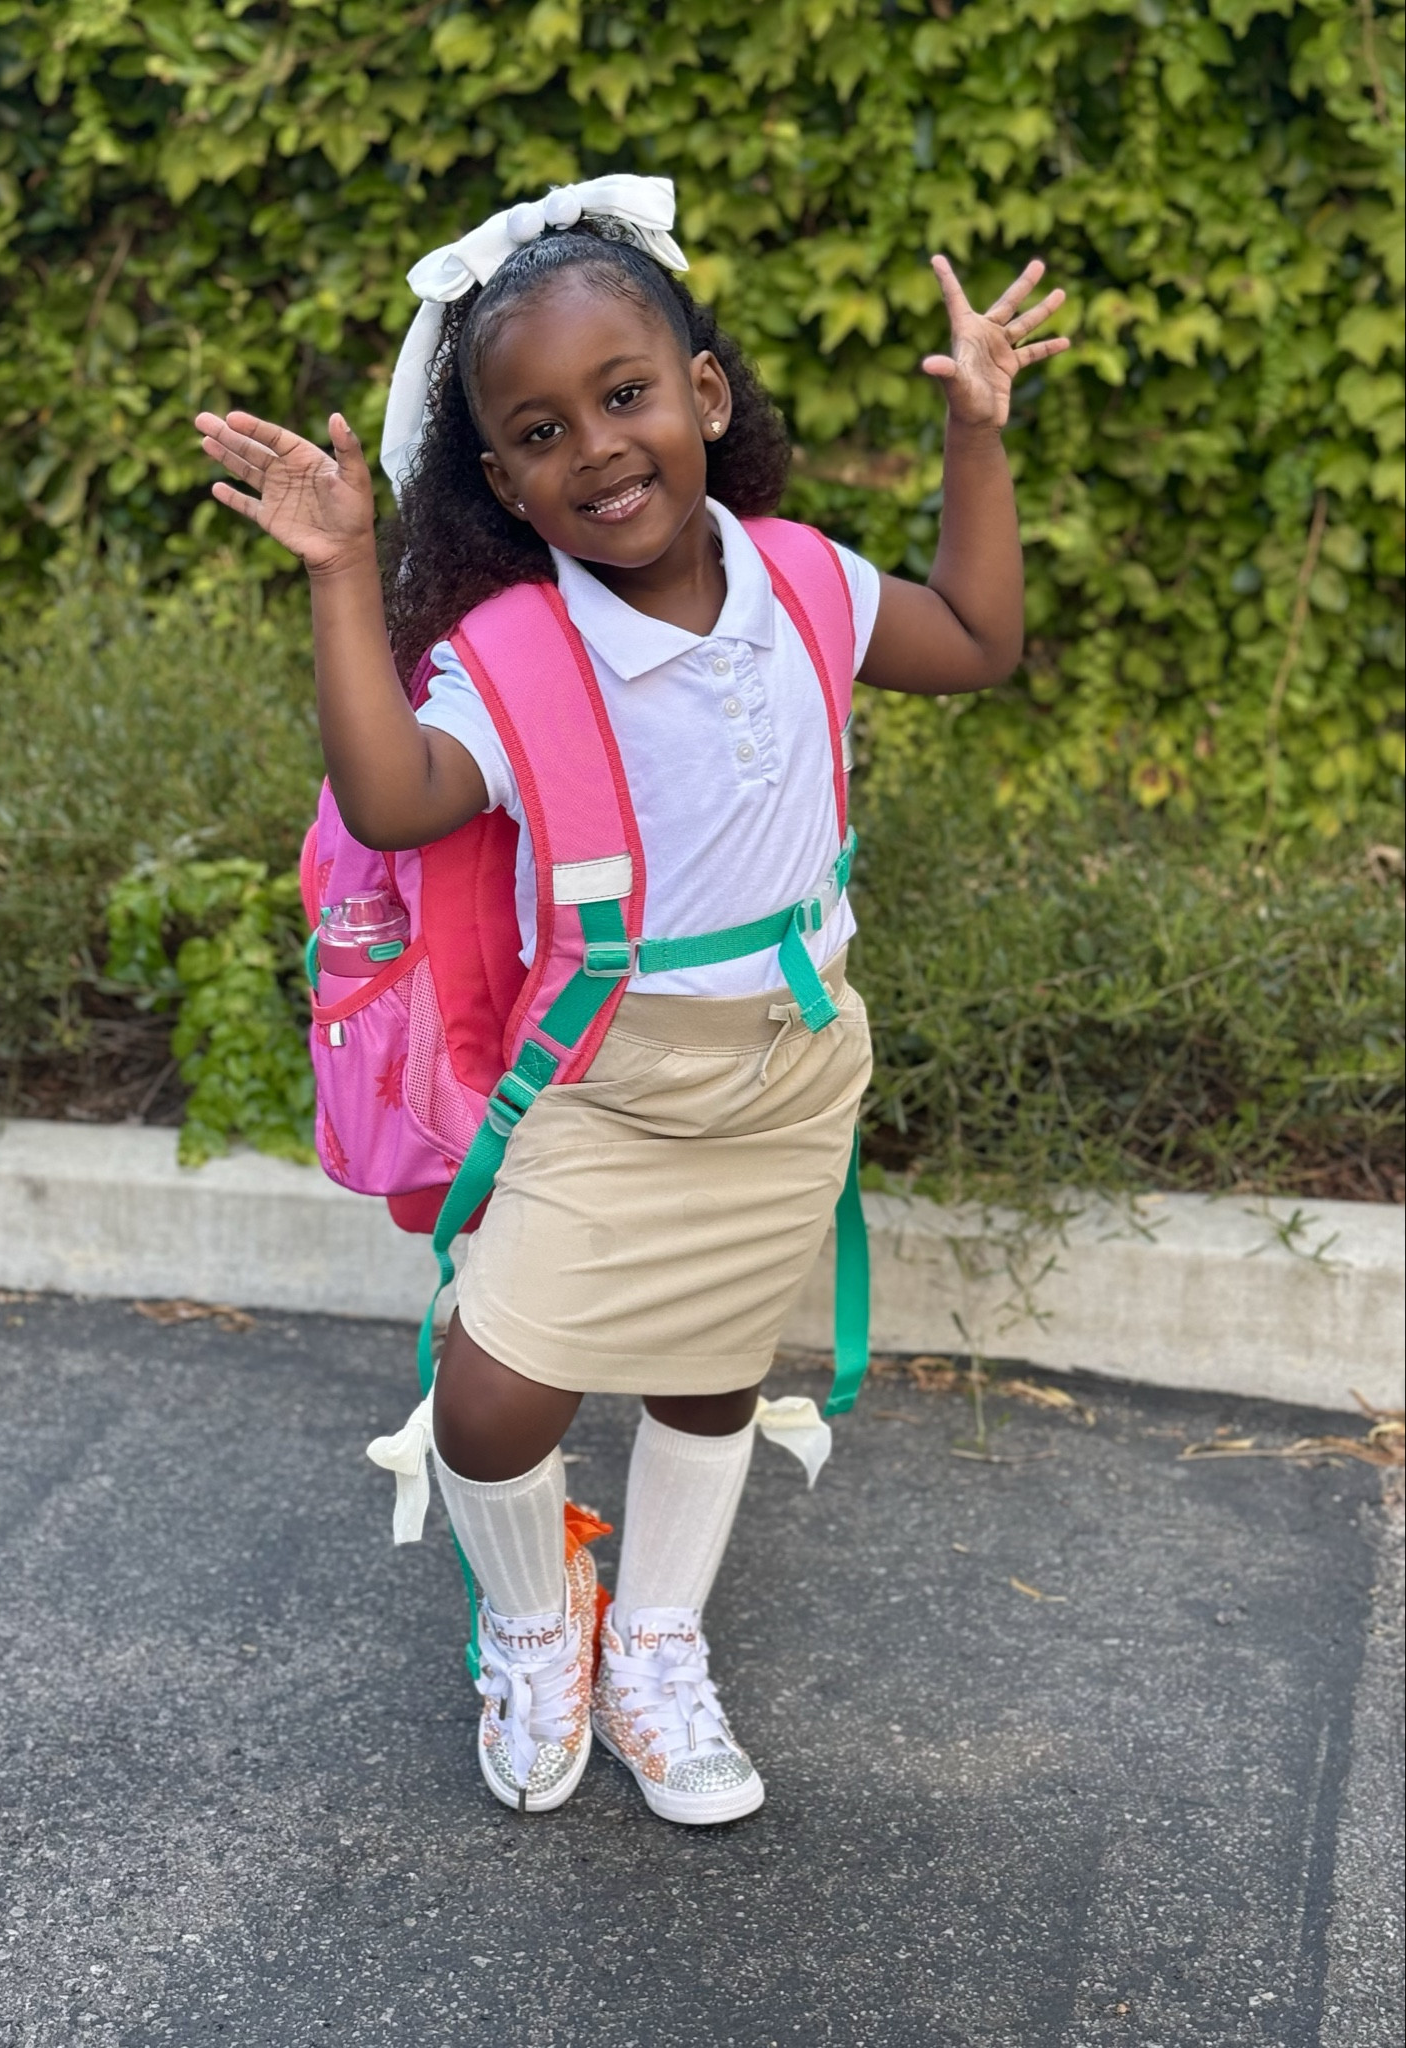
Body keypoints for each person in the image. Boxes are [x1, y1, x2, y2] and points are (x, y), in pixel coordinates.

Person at [194, 176, 1068, 1827]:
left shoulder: (802, 579)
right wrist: (336, 572)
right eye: (536, 430)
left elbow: (973, 637)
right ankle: (538, 1628)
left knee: (707, 1369)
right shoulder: (517, 658)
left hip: (792, 1063)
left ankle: (656, 1643)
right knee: (495, 1387)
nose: (595, 447)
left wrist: (973, 433)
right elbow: (393, 802)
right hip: (609, 1078)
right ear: (503, 483)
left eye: (625, 394)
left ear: (704, 396)